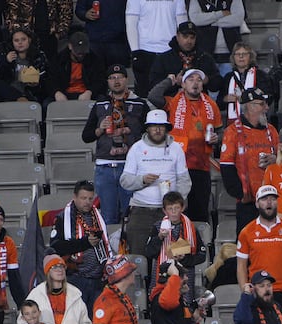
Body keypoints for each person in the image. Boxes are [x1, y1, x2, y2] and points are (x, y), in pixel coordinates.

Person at [82, 65, 150, 233]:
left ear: (127, 80)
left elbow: (152, 132)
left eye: (120, 77)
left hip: (131, 166)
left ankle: (130, 253)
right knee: (108, 216)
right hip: (105, 166)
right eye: (112, 78)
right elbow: (86, 136)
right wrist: (100, 129)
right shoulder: (100, 104)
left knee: (131, 215)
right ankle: (111, 255)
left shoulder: (140, 103)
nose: (116, 81)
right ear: (107, 82)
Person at [120, 109, 191, 260]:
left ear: (166, 128)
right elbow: (125, 181)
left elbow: (184, 180)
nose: (158, 130)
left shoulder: (176, 148)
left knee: (177, 254)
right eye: (154, 126)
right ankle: (139, 282)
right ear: (147, 128)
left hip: (169, 211)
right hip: (141, 209)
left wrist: (176, 203)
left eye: (161, 126)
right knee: (137, 254)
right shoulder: (136, 149)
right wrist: (142, 180)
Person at [237, 184, 282, 324]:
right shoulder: (246, 232)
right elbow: (241, 264)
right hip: (257, 292)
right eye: (264, 199)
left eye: (273, 199)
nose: (269, 202)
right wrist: (245, 290)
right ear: (256, 203)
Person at [161, 68, 220, 223]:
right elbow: (153, 96)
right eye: (191, 79)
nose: (195, 83)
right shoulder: (173, 102)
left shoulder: (211, 104)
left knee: (200, 212)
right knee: (176, 211)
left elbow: (221, 131)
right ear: (184, 84)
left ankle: (198, 245)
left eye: (199, 80)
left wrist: (217, 138)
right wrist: (171, 80)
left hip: (201, 166)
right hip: (177, 167)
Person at [219, 87, 280, 232]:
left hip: (273, 199)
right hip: (248, 201)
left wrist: (276, 159)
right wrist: (241, 194)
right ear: (249, 106)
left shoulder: (271, 130)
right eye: (261, 104)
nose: (266, 108)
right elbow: (226, 167)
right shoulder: (232, 132)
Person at [49, 180, 113, 312]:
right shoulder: (64, 218)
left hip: (98, 279)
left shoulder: (98, 216)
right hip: (76, 278)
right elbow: (56, 247)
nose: (87, 202)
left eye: (90, 198)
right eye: (83, 198)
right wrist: (85, 243)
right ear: (75, 197)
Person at [19, 254, 94, 324]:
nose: (60, 270)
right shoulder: (36, 294)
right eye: (55, 267)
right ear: (48, 271)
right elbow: (22, 320)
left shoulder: (75, 294)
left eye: (62, 266)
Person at [146, 21, 219, 97]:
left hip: (199, 103)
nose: (189, 41)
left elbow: (217, 84)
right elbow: (153, 84)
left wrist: (207, 80)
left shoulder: (205, 58)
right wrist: (172, 82)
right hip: (170, 102)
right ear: (177, 36)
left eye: (192, 37)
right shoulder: (163, 58)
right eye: (185, 36)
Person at [90, 255, 144, 324]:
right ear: (125, 275)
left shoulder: (122, 296)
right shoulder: (105, 300)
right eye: (131, 271)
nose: (134, 274)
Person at [127, 0, 183, 86]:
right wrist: (135, 52)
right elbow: (131, 23)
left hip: (170, 51)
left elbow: (182, 22)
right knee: (144, 90)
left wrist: (181, 48)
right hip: (144, 50)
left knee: (171, 90)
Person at [219, 42, 275, 125]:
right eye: (237, 54)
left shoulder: (260, 75)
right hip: (233, 124)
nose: (241, 57)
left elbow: (268, 97)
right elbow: (219, 102)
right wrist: (225, 99)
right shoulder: (228, 77)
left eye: (244, 54)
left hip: (256, 121)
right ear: (233, 57)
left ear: (250, 56)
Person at [0, 26, 47, 103]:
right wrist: (6, 62)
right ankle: (20, 99)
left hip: (31, 94)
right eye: (16, 40)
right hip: (10, 95)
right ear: (12, 43)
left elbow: (45, 78)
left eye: (23, 39)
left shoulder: (38, 56)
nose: (20, 42)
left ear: (29, 40)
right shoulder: (7, 55)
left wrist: (35, 85)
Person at [47, 30, 107, 103]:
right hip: (65, 94)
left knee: (102, 100)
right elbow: (50, 80)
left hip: (86, 93)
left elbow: (100, 81)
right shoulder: (58, 60)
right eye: (78, 52)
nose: (81, 54)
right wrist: (56, 92)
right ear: (70, 46)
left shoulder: (95, 60)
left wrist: (90, 91)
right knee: (47, 103)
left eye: (83, 51)